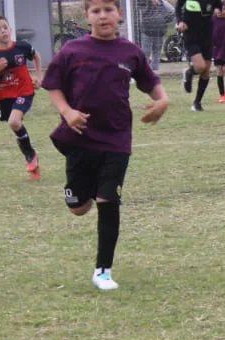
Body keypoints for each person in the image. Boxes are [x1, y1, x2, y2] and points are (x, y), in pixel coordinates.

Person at [41, 0, 170, 290]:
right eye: (96, 11)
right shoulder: (72, 51)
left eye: (108, 10)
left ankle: (103, 271)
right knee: (78, 207)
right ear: (87, 16)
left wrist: (162, 100)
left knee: (108, 199)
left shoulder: (130, 52)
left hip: (117, 138)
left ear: (119, 14)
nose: (103, 16)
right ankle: (78, 195)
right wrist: (68, 112)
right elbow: (53, 85)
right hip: (80, 137)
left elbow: (150, 81)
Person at [0, 15, 43, 180]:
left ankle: (30, 155)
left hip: (24, 91)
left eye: (5, 27)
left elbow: (36, 56)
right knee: (14, 125)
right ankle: (31, 157)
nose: (3, 31)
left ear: (10, 29)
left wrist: (39, 77)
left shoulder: (22, 46)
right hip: (5, 95)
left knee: (14, 122)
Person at [177, 0, 222, 111]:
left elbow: (219, 7)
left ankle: (197, 102)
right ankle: (189, 72)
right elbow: (178, 6)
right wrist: (180, 21)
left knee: (206, 70)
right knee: (200, 67)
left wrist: (219, 10)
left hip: (207, 34)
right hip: (191, 32)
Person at [139, 0, 175, 69]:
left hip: (160, 31)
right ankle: (145, 72)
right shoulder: (145, 3)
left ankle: (155, 71)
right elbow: (140, 4)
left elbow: (172, 12)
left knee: (157, 54)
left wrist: (165, 20)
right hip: (147, 30)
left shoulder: (163, 4)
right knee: (146, 54)